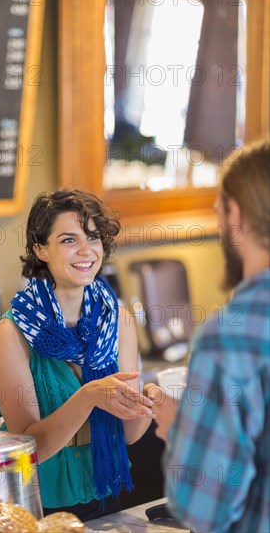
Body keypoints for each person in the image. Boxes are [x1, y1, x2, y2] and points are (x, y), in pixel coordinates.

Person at [0, 188, 153, 521]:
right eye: (68, 240)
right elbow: (30, 449)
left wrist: (150, 403)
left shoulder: (117, 319)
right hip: (37, 505)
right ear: (40, 249)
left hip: (108, 493)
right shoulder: (10, 334)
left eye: (93, 238)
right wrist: (89, 396)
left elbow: (131, 434)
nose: (86, 251)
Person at [145, 140, 270, 533]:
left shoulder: (232, 336)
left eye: (217, 211)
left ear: (235, 214)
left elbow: (204, 507)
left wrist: (182, 431)